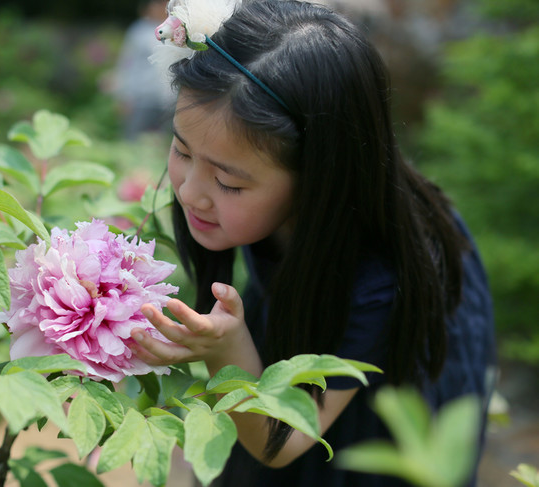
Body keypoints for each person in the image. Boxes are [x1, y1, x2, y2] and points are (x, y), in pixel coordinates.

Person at [130, 1, 496, 486]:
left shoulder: (377, 277)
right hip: (308, 300)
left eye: (228, 182)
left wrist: (227, 351)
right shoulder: (273, 207)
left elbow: (281, 441)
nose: (190, 192)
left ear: (318, 179)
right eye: (181, 150)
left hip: (380, 390)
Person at [112, 0, 176, 140]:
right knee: (135, 141)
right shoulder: (139, 31)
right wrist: (123, 96)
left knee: (166, 144)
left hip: (170, 99)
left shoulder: (178, 28)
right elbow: (126, 64)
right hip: (142, 99)